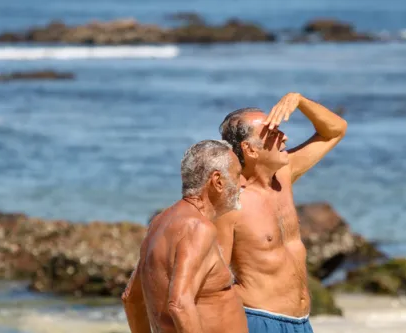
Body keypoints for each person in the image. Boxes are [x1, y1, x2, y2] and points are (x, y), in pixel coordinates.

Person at [217, 92, 347, 333]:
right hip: (257, 320)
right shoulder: (230, 201)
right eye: (274, 133)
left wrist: (299, 100)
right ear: (250, 149)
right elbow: (211, 278)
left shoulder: (284, 175)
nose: (285, 136)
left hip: (301, 322)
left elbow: (336, 130)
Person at [122, 139, 248, 333]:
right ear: (218, 181)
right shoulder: (198, 227)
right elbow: (180, 304)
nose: (243, 183)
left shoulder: (160, 222)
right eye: (238, 175)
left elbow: (131, 298)